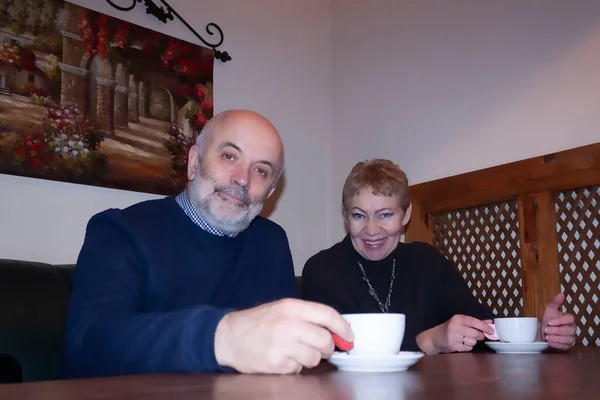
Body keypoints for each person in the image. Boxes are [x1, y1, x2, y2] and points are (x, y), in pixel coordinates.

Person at [63, 110, 353, 378]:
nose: (242, 179)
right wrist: (223, 337)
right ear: (194, 162)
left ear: (271, 192)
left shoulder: (271, 242)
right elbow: (90, 343)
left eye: (261, 171)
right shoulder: (119, 231)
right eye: (229, 156)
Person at [301, 159, 577, 354]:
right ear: (346, 216)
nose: (372, 230)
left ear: (406, 215)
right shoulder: (322, 270)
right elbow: (336, 351)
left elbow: (481, 327)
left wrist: (539, 335)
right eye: (359, 215)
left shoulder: (427, 261)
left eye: (385, 214)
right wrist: (429, 341)